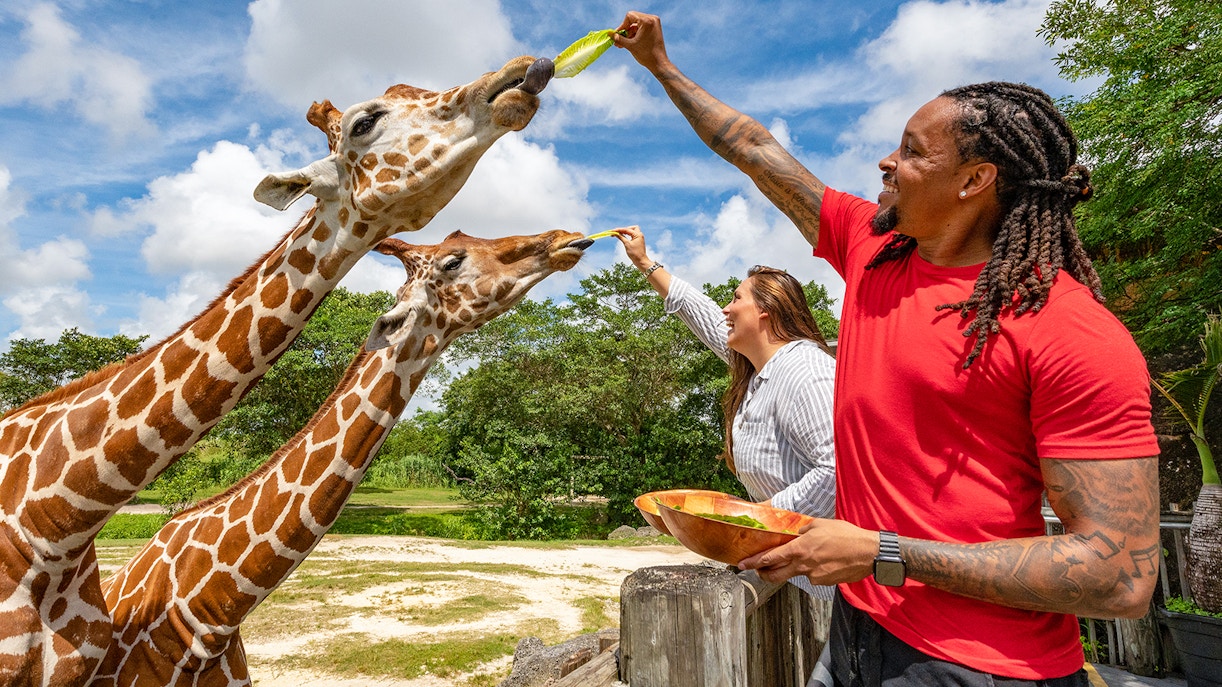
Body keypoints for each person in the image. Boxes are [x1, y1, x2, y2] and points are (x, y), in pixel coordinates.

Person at [612, 11, 1160, 687]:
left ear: (974, 180)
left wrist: (883, 552)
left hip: (981, 666)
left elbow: (1121, 573)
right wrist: (661, 67)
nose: (886, 162)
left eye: (911, 151)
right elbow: (753, 148)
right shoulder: (873, 251)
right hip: (857, 629)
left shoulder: (1070, 331)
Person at [613, 224, 837, 602]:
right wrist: (646, 263)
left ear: (766, 312)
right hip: (796, 577)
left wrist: (754, 519)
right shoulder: (759, 368)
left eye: (736, 299)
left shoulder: (806, 372)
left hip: (829, 588)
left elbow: (838, 471)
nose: (725, 308)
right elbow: (701, 314)